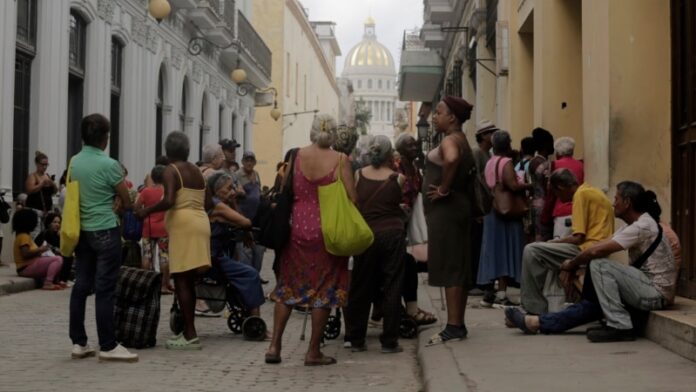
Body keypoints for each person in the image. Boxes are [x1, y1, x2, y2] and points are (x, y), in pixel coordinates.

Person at [506, 182, 679, 342]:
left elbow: (597, 250)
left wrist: (571, 264)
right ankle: (535, 322)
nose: (613, 204)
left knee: (599, 263)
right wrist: (574, 262)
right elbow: (600, 244)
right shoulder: (633, 225)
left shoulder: (642, 226)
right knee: (589, 307)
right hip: (644, 288)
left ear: (627, 202)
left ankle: (620, 326)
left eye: (616, 199)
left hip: (655, 294)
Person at [266, 114, 354, 366]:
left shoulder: (296, 156)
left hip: (297, 229)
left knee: (288, 287)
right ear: (334, 134)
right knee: (324, 291)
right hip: (328, 230)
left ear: (312, 131)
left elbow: (285, 191)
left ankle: (274, 346)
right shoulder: (341, 160)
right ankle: (313, 351)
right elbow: (352, 197)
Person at [68, 114, 138, 362]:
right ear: (105, 138)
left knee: (81, 285)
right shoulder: (110, 165)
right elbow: (127, 201)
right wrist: (120, 198)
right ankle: (108, 345)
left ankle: (79, 343)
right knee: (105, 289)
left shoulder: (74, 161)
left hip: (83, 231)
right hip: (106, 229)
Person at [137, 131, 211, 350]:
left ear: (167, 151)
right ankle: (190, 331)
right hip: (200, 222)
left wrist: (146, 211)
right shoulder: (198, 171)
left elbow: (169, 200)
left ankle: (189, 335)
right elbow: (208, 202)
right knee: (189, 280)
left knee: (181, 280)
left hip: (183, 226)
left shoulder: (172, 170)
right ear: (187, 150)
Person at [519, 169, 614, 315]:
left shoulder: (580, 195)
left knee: (531, 250)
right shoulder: (591, 190)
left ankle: (533, 308)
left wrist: (552, 243)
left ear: (561, 188)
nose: (557, 198)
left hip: (588, 248)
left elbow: (578, 237)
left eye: (556, 193)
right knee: (541, 251)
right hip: (597, 246)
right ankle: (544, 301)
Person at [423, 96, 476, 345]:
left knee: (451, 265)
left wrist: (443, 188)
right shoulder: (461, 138)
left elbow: (452, 158)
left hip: (448, 211)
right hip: (457, 209)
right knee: (458, 264)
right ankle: (457, 323)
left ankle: (454, 325)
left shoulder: (450, 140)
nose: (435, 117)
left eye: (439, 112)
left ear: (452, 117)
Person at [347, 135, 407, 353]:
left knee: (361, 285)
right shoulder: (397, 178)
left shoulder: (358, 175)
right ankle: (389, 340)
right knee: (392, 285)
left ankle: (356, 339)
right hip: (392, 234)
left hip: (367, 236)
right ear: (389, 154)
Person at [478, 130, 533, 307]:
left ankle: (493, 292)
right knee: (508, 249)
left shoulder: (490, 162)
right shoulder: (507, 162)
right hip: (507, 211)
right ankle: (501, 293)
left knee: (494, 250)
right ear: (508, 144)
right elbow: (512, 185)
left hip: (493, 210)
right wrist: (529, 185)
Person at [206, 172, 265, 316]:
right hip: (214, 258)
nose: (232, 191)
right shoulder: (218, 205)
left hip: (214, 255)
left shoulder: (214, 203)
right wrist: (233, 201)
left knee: (242, 270)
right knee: (251, 274)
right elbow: (245, 222)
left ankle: (247, 311)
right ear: (217, 190)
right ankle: (255, 319)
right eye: (228, 188)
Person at [394, 133, 436, 325]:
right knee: (402, 263)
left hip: (409, 220)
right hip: (396, 220)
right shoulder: (396, 166)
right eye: (410, 146)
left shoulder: (415, 168)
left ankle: (407, 308)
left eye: (415, 145)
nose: (415, 148)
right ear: (401, 149)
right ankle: (400, 308)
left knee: (406, 262)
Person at [135, 165, 172, 295]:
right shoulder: (167, 191)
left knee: (147, 256)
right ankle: (163, 286)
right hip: (164, 228)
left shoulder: (146, 191)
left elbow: (137, 207)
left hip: (148, 227)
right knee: (164, 257)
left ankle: (146, 284)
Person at [12, 208, 64, 290]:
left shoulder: (25, 236)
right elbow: (25, 253)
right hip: (25, 267)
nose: (36, 224)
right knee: (57, 259)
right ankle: (48, 283)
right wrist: (40, 249)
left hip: (28, 266)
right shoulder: (23, 237)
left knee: (54, 260)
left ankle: (55, 281)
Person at [233, 151, 266, 274]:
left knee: (258, 253)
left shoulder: (256, 174)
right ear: (242, 162)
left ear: (255, 162)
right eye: (246, 160)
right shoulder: (237, 175)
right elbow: (235, 199)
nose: (249, 163)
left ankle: (255, 278)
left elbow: (258, 191)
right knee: (245, 255)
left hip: (257, 220)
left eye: (251, 160)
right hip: (243, 219)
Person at [550, 137, 585, 238]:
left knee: (559, 245)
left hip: (561, 210)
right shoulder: (581, 164)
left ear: (558, 152)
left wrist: (545, 215)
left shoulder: (555, 165)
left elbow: (551, 194)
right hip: (578, 209)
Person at [528, 128, 555, 241]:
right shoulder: (543, 164)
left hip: (535, 203)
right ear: (545, 145)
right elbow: (548, 185)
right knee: (544, 237)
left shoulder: (532, 162)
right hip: (544, 204)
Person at [25, 151, 57, 238]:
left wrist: (53, 184)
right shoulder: (33, 176)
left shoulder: (47, 176)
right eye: (43, 164)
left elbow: (54, 192)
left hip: (47, 212)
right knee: (36, 235)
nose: (45, 167)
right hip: (35, 211)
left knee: (46, 235)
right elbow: (29, 190)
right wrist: (41, 184)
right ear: (37, 164)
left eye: (46, 164)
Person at [35, 212, 73, 285]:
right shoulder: (46, 233)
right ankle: (62, 279)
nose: (57, 225)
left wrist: (62, 237)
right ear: (49, 223)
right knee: (64, 257)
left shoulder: (57, 234)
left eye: (59, 223)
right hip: (43, 257)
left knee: (68, 255)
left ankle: (63, 280)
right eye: (54, 222)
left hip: (53, 256)